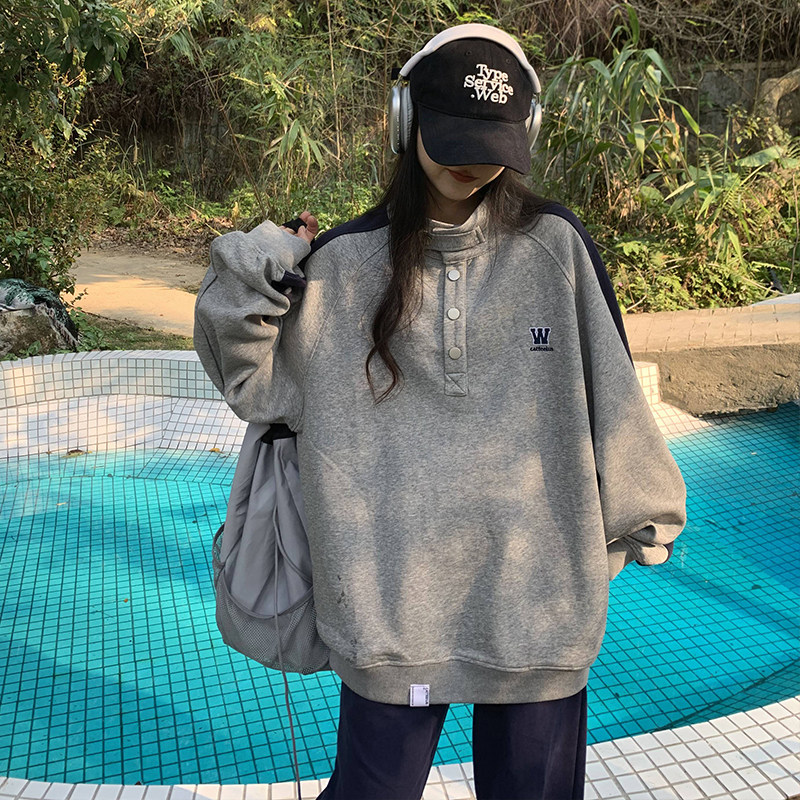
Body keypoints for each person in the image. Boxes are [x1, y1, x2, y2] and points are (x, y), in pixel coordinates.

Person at [194, 23, 687, 800]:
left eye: (494, 141)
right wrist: (259, 263)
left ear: (526, 133)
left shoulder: (557, 249)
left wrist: (623, 532)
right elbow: (248, 382)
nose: (472, 160)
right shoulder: (343, 266)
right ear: (405, 119)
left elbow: (616, 404)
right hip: (389, 622)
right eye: (453, 133)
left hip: (536, 620)